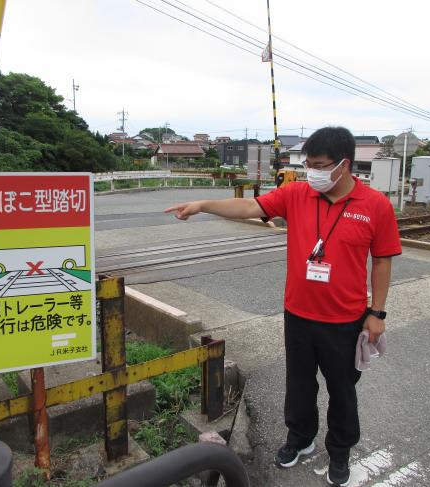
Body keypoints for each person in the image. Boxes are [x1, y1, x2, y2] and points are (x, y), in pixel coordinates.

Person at [165, 126, 401, 486]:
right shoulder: (297, 194)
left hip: (346, 320)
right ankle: (300, 439)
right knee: (300, 384)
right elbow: (249, 206)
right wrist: (202, 205)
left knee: (342, 391)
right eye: (308, 164)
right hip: (300, 316)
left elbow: (382, 260)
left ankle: (339, 452)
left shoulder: (375, 206)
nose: (312, 173)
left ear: (344, 165)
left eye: (320, 165)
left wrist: (377, 313)